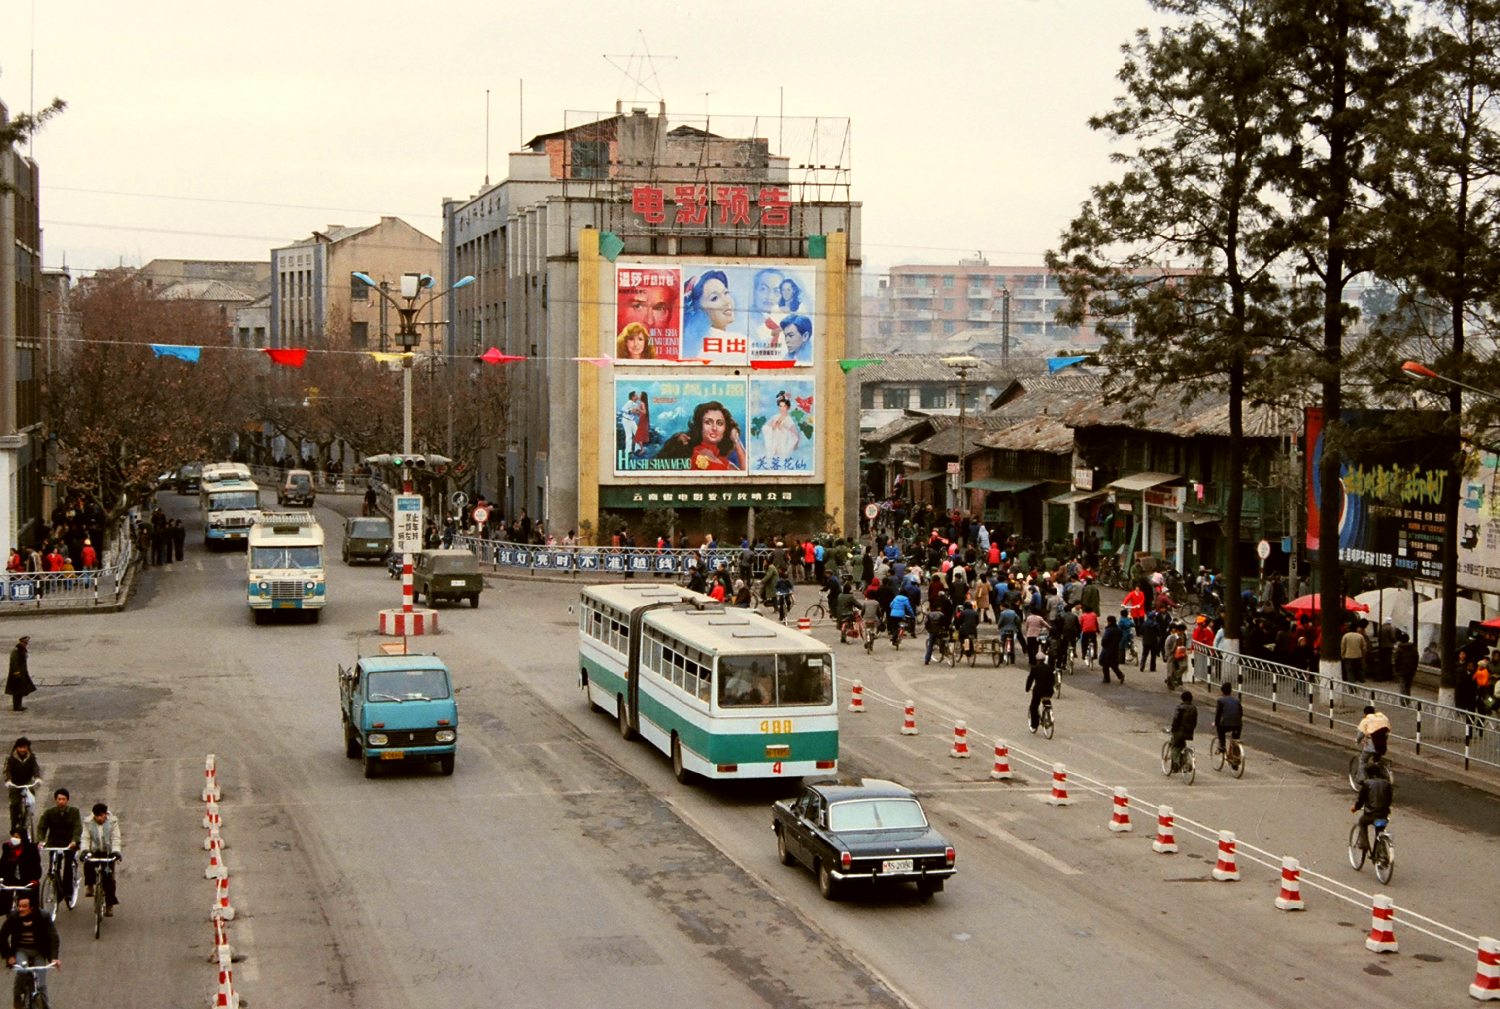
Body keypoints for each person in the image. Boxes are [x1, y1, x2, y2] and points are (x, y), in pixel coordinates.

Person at [655, 401, 747, 471]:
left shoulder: (723, 461)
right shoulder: (690, 452)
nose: (714, 428)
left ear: (725, 429)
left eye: (720, 423)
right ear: (700, 426)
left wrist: (736, 440)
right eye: (708, 422)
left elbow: (746, 479)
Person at [0, 895, 58, 1004]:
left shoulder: (43, 917)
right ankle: (17, 997)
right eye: (19, 906)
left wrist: (54, 958)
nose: (21, 909)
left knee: (41, 984)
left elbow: (53, 937)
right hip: (21, 950)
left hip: (39, 951)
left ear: (32, 908)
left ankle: (45, 1006)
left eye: (24, 906)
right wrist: (9, 956)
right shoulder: (13, 917)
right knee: (22, 971)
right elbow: (2, 936)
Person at [34, 788, 80, 903]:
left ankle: (68, 892)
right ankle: (57, 889)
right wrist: (40, 840)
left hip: (69, 844)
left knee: (68, 865)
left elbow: (77, 828)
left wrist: (74, 840)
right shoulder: (49, 813)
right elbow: (41, 827)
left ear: (67, 800)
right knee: (54, 866)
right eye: (59, 799)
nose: (61, 801)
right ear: (55, 800)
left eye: (63, 799)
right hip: (54, 843)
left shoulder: (74, 812)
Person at [79, 802, 121, 916]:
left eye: (101, 816)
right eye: (97, 816)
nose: (99, 818)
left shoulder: (113, 822)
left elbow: (116, 838)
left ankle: (109, 905)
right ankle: (90, 885)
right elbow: (85, 838)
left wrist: (116, 851)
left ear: (106, 814)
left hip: (108, 853)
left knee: (109, 879)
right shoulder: (88, 822)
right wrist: (84, 850)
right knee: (88, 863)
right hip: (94, 851)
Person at [683, 269, 735, 358]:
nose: (727, 302)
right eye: (714, 298)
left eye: (726, 293)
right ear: (698, 310)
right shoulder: (704, 352)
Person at [1350, 756, 1394, 854]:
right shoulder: (1387, 784)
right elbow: (1389, 799)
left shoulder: (1367, 783)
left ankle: (1364, 843)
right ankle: (1381, 852)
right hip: (1383, 815)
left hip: (1371, 814)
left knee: (1362, 821)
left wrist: (1355, 808)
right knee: (1380, 830)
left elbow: (1361, 800)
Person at [3, 740, 39, 838]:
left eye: (24, 747)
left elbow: (36, 768)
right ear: (17, 748)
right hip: (15, 783)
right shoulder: (10, 758)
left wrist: (37, 778)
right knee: (14, 805)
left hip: (27, 782)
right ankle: (14, 826)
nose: (22, 750)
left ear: (27, 748)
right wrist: (8, 781)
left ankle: (28, 817)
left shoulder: (31, 757)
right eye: (20, 747)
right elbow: (7, 770)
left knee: (31, 800)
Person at [0, 828, 40, 916]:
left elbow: (36, 866)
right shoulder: (7, 847)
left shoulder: (31, 849)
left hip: (27, 879)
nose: (14, 839)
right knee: (5, 898)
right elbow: (2, 864)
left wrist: (34, 880)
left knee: (28, 898)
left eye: (17, 837)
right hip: (10, 879)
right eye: (13, 836)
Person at [761, 391, 803, 462]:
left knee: (783, 432)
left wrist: (782, 429)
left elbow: (796, 435)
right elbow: (766, 428)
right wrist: (773, 427)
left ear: (788, 407)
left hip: (783, 444)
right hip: (774, 443)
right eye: (780, 406)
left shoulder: (788, 420)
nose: (782, 408)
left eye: (784, 406)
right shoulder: (775, 417)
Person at [1024, 652, 1056, 733]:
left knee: (1034, 706)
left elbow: (1030, 679)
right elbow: (1053, 681)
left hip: (1039, 691)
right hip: (1049, 691)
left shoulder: (1034, 668)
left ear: (1037, 660)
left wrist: (1027, 689)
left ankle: (1034, 724)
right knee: (1046, 700)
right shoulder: (1050, 668)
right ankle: (1048, 711)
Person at [1212, 681, 1243, 760]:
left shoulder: (1221, 700)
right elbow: (1240, 713)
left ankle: (1222, 746)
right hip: (1238, 724)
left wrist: (1215, 723)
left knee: (1220, 730)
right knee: (1235, 739)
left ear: (1222, 691)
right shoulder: (1237, 700)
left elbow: (1218, 714)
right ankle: (1235, 760)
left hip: (1226, 724)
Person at [1168, 691, 1198, 772]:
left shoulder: (1180, 707)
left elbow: (1176, 720)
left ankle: (1178, 763)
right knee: (1181, 744)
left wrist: (1173, 729)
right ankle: (1184, 761)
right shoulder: (1194, 708)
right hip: (1190, 732)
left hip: (1180, 732)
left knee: (1174, 747)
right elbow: (1195, 722)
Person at [5, 637, 33, 713]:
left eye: (26, 643)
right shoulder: (16, 651)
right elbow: (14, 662)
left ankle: (19, 705)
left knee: (20, 690)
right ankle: (16, 706)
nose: (26, 644)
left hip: (22, 673)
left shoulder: (21, 650)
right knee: (16, 691)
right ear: (21, 642)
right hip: (16, 674)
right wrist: (17, 673)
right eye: (25, 643)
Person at [1099, 614, 1125, 684]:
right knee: (1113, 664)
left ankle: (1106, 678)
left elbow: (1104, 639)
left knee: (1105, 664)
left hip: (1107, 649)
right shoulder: (1118, 630)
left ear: (1109, 622)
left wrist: (1104, 645)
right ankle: (1120, 675)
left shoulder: (1109, 630)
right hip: (1115, 648)